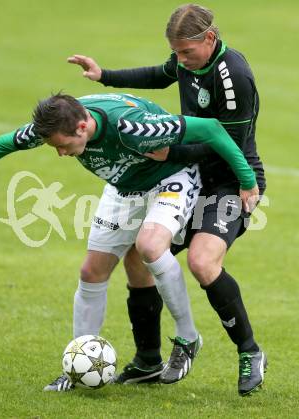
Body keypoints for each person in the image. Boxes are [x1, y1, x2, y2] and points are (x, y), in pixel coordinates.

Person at [0, 92, 258, 393]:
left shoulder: (136, 127)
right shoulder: (58, 122)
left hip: (169, 179)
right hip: (122, 188)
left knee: (151, 247)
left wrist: (246, 180)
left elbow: (212, 128)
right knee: (91, 272)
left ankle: (187, 337)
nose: (60, 153)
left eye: (62, 146)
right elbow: (1, 144)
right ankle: (77, 364)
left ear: (82, 127)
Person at [68, 3, 267, 396]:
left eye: (186, 52)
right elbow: (158, 76)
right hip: (190, 176)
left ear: (209, 39)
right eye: (175, 52)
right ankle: (147, 360)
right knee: (139, 256)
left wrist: (171, 154)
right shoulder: (187, 62)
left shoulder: (234, 79)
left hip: (231, 182)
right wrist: (103, 75)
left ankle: (249, 352)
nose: (179, 61)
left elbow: (228, 145)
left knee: (202, 261)